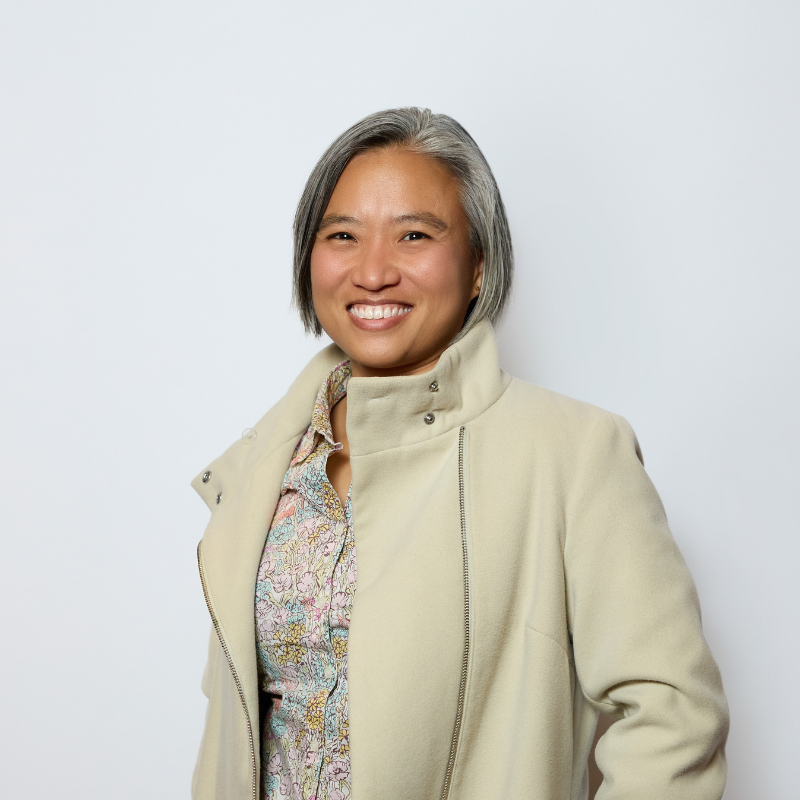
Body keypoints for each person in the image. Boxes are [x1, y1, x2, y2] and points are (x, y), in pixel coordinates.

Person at [190, 108, 729, 800]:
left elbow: (673, 716)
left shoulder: (573, 456)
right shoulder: (265, 467)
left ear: (478, 265)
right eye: (342, 235)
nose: (373, 272)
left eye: (414, 235)